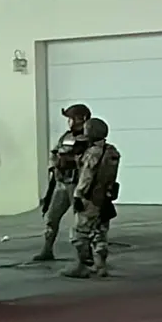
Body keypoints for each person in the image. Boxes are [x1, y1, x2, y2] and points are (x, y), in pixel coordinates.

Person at [62, 117, 121, 279]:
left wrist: (78, 195)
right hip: (105, 197)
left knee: (79, 233)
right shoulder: (112, 151)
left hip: (90, 197)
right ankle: (100, 266)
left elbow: (87, 177)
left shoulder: (92, 153)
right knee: (100, 231)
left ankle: (82, 265)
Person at [35, 103, 91, 261]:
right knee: (51, 217)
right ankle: (47, 250)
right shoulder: (66, 136)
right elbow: (55, 152)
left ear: (81, 119)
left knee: (81, 222)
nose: (69, 122)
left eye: (71, 118)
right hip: (62, 183)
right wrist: (55, 165)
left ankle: (85, 257)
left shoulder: (89, 139)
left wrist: (72, 160)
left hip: (78, 184)